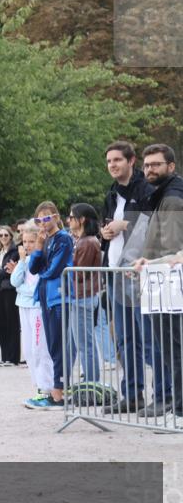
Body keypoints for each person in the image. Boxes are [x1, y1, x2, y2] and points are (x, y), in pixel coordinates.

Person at [99, 141, 154, 412]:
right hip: (115, 272)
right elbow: (106, 225)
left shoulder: (145, 189)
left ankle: (170, 397)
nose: (112, 165)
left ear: (131, 161)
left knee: (149, 338)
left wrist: (126, 224)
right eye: (109, 161)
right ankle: (132, 395)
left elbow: (155, 224)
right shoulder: (111, 194)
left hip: (137, 273)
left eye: (117, 160)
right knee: (124, 339)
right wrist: (105, 232)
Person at [135, 144, 183, 418]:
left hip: (169, 285)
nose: (150, 170)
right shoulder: (162, 195)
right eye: (147, 165)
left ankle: (180, 410)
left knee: (175, 350)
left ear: (171, 167)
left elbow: (174, 250)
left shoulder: (173, 199)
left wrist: (149, 264)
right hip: (160, 282)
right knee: (170, 351)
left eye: (156, 165)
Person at [28, 201, 74, 406]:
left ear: (56, 217)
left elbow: (53, 270)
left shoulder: (63, 238)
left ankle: (59, 390)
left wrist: (42, 273)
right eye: (39, 219)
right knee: (52, 344)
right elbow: (33, 268)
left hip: (58, 296)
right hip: (45, 297)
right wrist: (38, 246)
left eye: (47, 218)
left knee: (59, 345)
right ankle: (57, 388)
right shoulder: (45, 240)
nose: (43, 223)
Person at [11, 223, 56, 409]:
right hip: (23, 307)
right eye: (25, 241)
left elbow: (34, 288)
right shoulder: (26, 261)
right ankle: (38, 386)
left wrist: (21, 288)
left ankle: (47, 387)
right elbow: (14, 281)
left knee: (40, 348)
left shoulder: (42, 259)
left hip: (37, 307)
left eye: (31, 241)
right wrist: (21, 262)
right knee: (29, 350)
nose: (27, 245)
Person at [65, 203, 103, 386]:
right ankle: (66, 380)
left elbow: (80, 273)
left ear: (82, 220)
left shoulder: (88, 242)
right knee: (75, 342)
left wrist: (65, 266)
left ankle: (91, 382)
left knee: (85, 343)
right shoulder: (81, 241)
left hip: (84, 296)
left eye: (72, 217)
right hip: (79, 296)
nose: (68, 220)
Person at [0, 224, 21, 366]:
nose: (3, 238)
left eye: (6, 235)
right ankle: (4, 356)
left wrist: (0, 272)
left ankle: (13, 358)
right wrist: (2, 273)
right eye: (0, 235)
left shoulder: (15, 252)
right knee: (1, 324)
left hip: (10, 290)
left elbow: (11, 271)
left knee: (12, 323)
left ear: (11, 236)